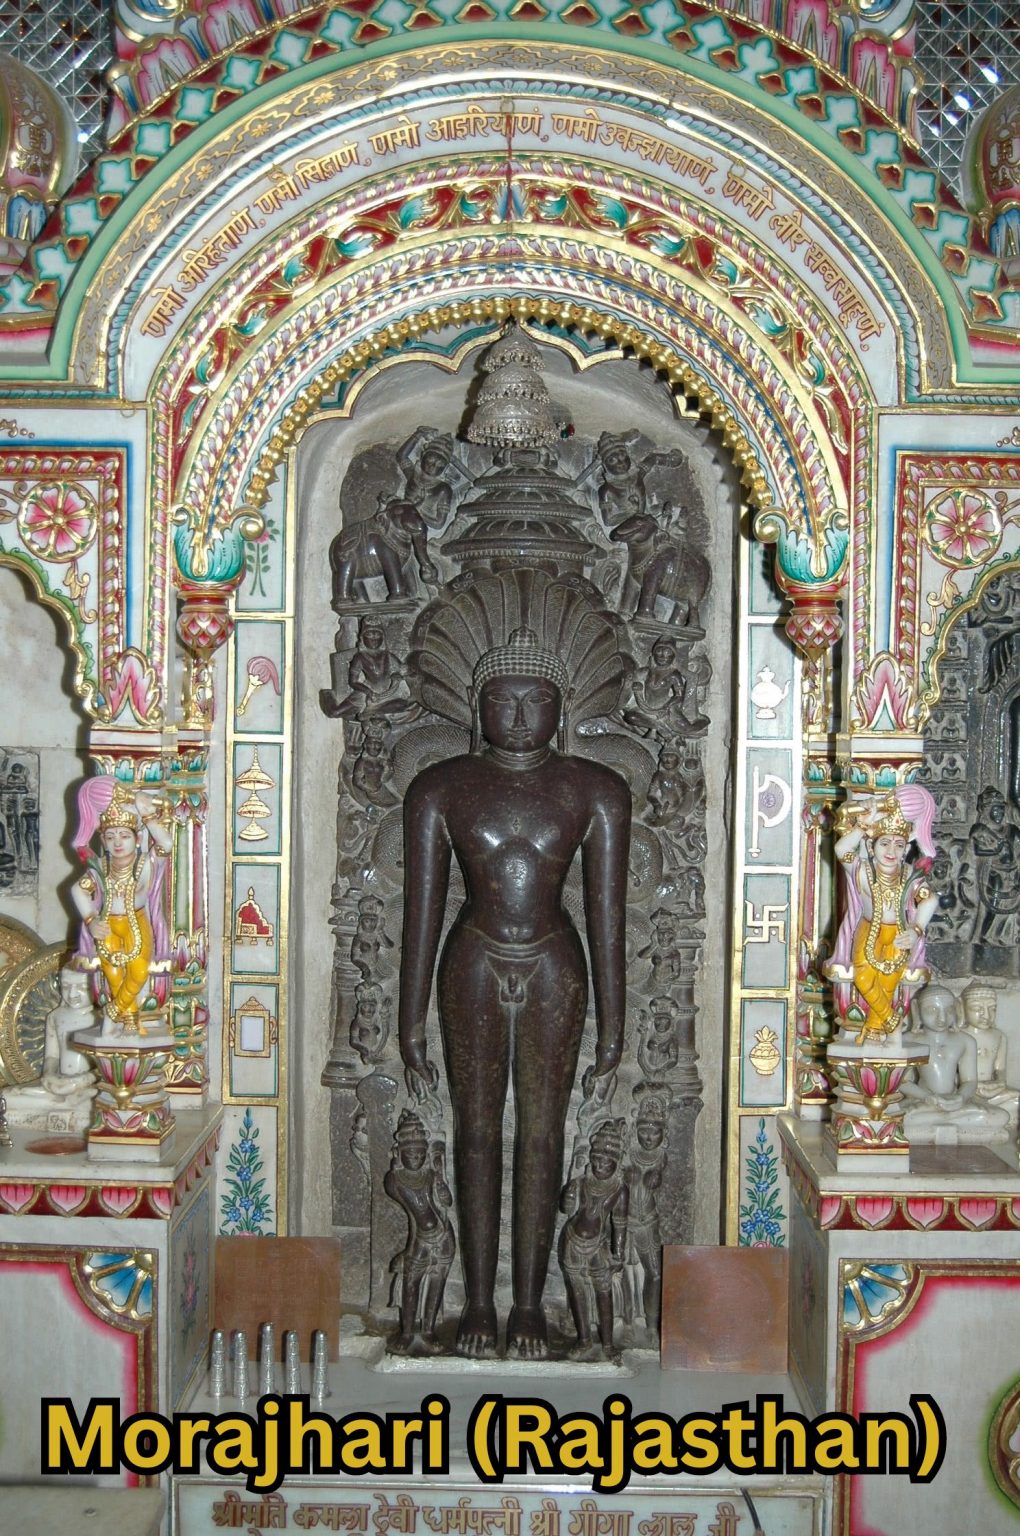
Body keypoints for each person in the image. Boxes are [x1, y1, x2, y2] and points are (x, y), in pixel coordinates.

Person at [398, 626, 631, 1359]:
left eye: (537, 701)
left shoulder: (596, 789)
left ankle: (527, 1306)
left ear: (562, 709)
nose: (522, 716)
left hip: (555, 962)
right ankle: (476, 1302)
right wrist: (410, 1021)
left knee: (542, 1131)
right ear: (479, 707)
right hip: (472, 958)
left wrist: (615, 1025)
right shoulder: (440, 788)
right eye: (505, 700)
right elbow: (422, 912)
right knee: (475, 1129)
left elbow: (608, 918)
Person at [827, 787, 938, 1045]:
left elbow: (930, 899)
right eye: (884, 843)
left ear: (906, 849)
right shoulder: (863, 870)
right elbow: (842, 849)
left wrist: (916, 929)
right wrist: (862, 826)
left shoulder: (908, 874)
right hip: (869, 930)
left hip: (898, 933)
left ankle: (878, 1031)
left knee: (888, 984)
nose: (891, 851)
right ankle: (892, 1022)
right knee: (864, 978)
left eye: (899, 845)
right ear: (871, 845)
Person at [71, 780, 172, 1035]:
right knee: (114, 976)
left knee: (138, 972)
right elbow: (78, 890)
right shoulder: (100, 868)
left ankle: (112, 1013)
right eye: (110, 837)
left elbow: (166, 845)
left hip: (136, 922)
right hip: (107, 925)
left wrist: (147, 815)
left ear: (137, 839)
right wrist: (91, 920)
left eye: (124, 836)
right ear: (103, 841)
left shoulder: (145, 864)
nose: (117, 843)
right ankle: (129, 1021)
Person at [384, 1110, 456, 1356]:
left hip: (444, 1236)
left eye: (420, 1154)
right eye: (410, 1154)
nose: (415, 1158)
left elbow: (446, 1201)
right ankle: (406, 1331)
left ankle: (428, 1329)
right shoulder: (395, 1180)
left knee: (437, 1283)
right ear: (399, 1153)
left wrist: (440, 1178)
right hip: (420, 1239)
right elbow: (409, 1205)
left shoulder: (431, 1175)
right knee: (410, 1282)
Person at [902, 985, 1011, 1144]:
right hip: (923, 1102)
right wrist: (927, 1097)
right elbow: (901, 1082)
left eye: (949, 1010)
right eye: (932, 1010)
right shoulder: (907, 1041)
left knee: (1001, 1116)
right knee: (900, 1118)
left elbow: (970, 1081)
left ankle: (931, 1132)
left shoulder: (965, 1041)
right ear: (917, 1010)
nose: (942, 1018)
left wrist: (960, 1097)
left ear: (957, 1009)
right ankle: (957, 1132)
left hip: (957, 1105)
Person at [960, 981, 1018, 1126]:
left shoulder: (999, 1036)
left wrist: (999, 1083)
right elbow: (952, 1074)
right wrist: (970, 1086)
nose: (986, 1015)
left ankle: (998, 1123)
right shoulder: (958, 1037)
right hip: (965, 1091)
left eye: (992, 1009)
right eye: (977, 1008)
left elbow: (1000, 1069)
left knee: (1016, 1100)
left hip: (992, 1090)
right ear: (962, 1008)